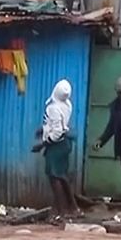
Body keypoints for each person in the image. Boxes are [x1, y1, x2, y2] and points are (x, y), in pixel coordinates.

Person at [37, 79, 79, 216]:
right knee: (62, 176)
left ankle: (61, 212)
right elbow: (60, 125)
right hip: (65, 143)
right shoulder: (67, 104)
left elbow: (57, 132)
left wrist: (43, 144)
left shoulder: (53, 108)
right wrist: (42, 130)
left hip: (56, 145)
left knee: (55, 178)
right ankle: (72, 207)